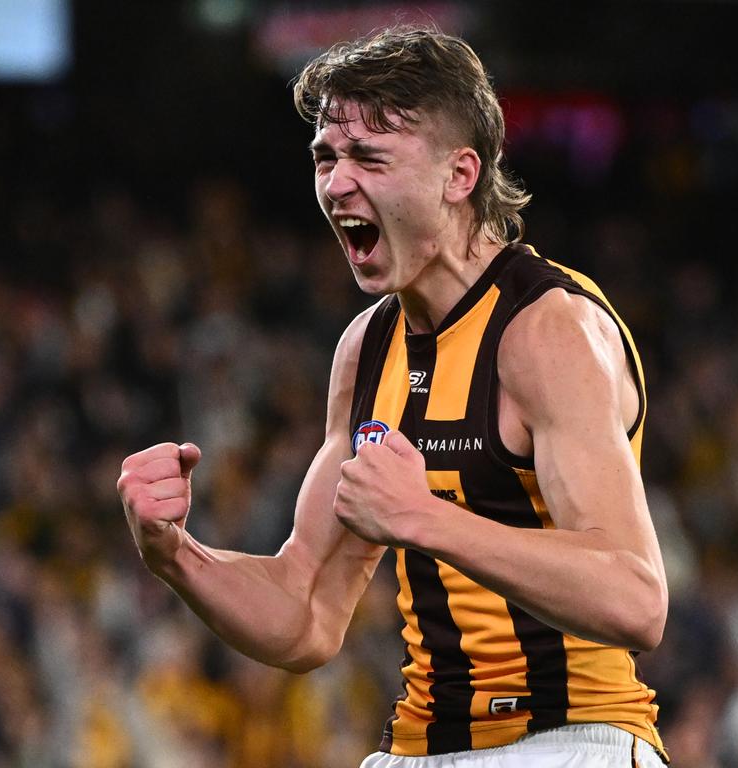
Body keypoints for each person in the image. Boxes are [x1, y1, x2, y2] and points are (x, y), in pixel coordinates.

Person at [118, 25, 669, 768]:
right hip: (416, 749)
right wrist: (175, 557)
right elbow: (305, 614)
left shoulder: (548, 332)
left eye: (368, 158)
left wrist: (423, 518)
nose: (335, 184)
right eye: (325, 157)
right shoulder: (366, 350)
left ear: (460, 175)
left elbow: (635, 601)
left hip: (571, 741)